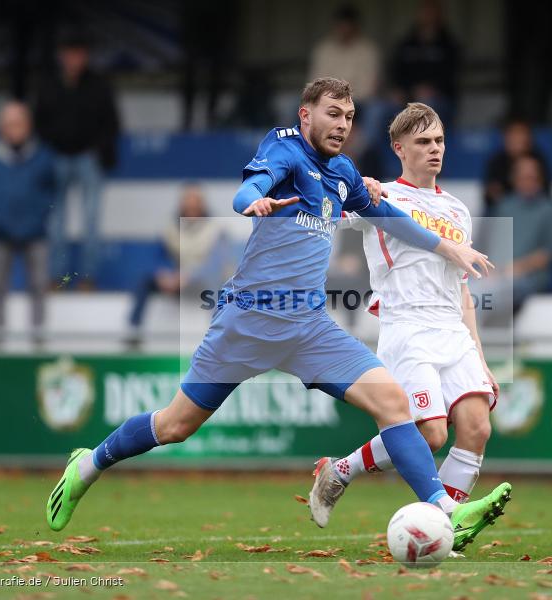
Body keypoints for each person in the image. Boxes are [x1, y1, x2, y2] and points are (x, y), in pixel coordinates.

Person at [45, 78, 509, 554]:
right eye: (333, 114)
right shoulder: (286, 149)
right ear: (306, 115)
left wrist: (447, 245)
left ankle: (444, 511)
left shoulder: (344, 173)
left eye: (349, 116)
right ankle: (88, 464)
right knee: (175, 426)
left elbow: (390, 217)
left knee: (394, 403)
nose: (342, 124)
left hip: (309, 328)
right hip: (248, 323)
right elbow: (249, 188)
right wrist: (254, 202)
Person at [311, 103, 512, 551]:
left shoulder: (457, 209)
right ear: (399, 148)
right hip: (407, 326)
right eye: (423, 142)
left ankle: (447, 533)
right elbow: (332, 203)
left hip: (452, 330)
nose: (434, 149)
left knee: (477, 427)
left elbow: (461, 288)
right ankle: (340, 470)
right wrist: (354, 188)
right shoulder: (380, 197)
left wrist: (479, 355)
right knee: (431, 433)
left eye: (439, 140)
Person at [34, 29, 120, 289]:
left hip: (88, 158)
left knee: (91, 220)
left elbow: (112, 123)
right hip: (57, 158)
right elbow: (39, 121)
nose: (74, 59)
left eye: (79, 54)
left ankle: (87, 278)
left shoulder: (99, 84)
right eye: (69, 54)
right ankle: (57, 278)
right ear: (62, 56)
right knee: (55, 221)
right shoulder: (48, 84)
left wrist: (97, 149)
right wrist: (49, 148)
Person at [0, 101, 57, 344]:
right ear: (1, 127)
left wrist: (38, 215)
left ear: (28, 125)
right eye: (8, 124)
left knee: (39, 285)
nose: (14, 128)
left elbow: (52, 190)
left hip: (36, 231)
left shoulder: (43, 156)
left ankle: (38, 337)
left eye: (18, 123)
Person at [126, 184, 233, 343]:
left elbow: (216, 265)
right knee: (146, 279)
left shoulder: (216, 229)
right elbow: (157, 257)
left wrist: (188, 276)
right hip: (176, 281)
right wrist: (164, 274)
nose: (191, 206)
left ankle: (218, 335)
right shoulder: (170, 228)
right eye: (188, 202)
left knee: (215, 282)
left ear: (202, 205)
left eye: (195, 202)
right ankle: (134, 330)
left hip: (200, 282)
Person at [476, 155, 552, 322]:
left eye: (532, 177)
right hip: (495, 275)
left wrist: (514, 269)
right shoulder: (503, 206)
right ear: (514, 179)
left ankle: (469, 341)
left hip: (528, 278)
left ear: (540, 179)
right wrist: (492, 270)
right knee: (464, 288)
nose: (527, 181)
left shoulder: (550, 211)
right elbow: (488, 245)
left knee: (482, 295)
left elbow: (548, 254)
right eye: (523, 176)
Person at [389, 0, 460, 126]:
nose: (427, 16)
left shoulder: (449, 45)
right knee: (380, 108)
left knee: (425, 104)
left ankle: (420, 143)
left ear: (439, 15)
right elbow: (395, 71)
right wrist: (400, 90)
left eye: (431, 12)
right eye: (424, 12)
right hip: (407, 96)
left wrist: (433, 89)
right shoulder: (407, 43)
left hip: (438, 99)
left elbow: (451, 76)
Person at [308, 5, 380, 113]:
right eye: (340, 25)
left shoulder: (368, 50)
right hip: (326, 101)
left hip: (359, 103)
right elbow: (315, 83)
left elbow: (369, 89)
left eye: (347, 25)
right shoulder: (324, 49)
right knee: (292, 104)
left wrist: (344, 105)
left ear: (356, 26)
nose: (343, 29)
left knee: (376, 110)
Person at [482, 118, 552, 213]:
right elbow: (490, 194)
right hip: (503, 209)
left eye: (520, 135)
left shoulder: (538, 160)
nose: (516, 139)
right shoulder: (496, 161)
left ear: (529, 138)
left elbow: (546, 190)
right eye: (512, 135)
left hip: (534, 208)